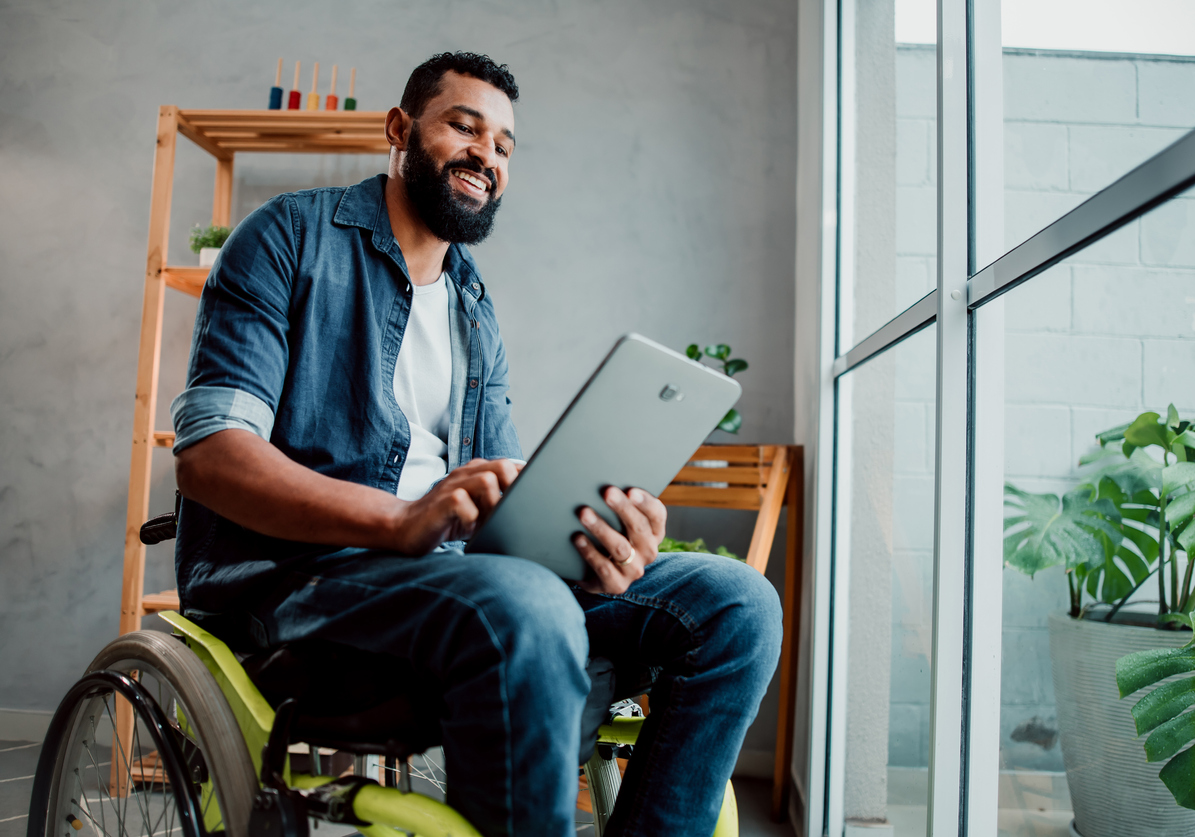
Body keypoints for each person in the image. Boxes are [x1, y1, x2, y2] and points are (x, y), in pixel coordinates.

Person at [170, 51, 781, 837]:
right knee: (524, 606)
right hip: (301, 584)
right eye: (464, 126)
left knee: (737, 603)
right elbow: (210, 455)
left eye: (503, 145)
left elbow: (503, 504)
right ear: (400, 129)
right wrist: (399, 521)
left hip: (460, 583)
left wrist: (593, 544)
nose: (486, 155)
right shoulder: (286, 238)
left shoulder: (471, 303)